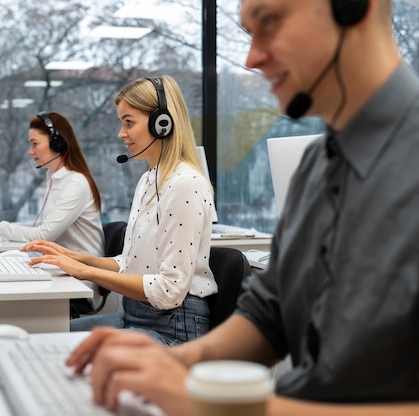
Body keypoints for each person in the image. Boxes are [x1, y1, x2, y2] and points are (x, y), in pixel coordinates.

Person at [64, 0, 419, 415]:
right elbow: (269, 316)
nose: (252, 59)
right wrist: (172, 363)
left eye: (270, 22)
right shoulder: (317, 167)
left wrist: (212, 401)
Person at [22, 75, 218, 345]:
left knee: (62, 351)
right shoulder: (150, 179)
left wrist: (87, 273)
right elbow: (128, 263)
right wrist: (76, 258)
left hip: (174, 328)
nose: (121, 133)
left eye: (129, 122)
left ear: (162, 124)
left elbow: (169, 290)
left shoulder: (185, 184)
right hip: (135, 315)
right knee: (47, 338)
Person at [0, 111, 104, 257]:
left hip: (82, 274)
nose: (30, 152)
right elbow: (41, 227)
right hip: (63, 265)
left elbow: (43, 235)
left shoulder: (75, 183)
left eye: (35, 144)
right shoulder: (56, 178)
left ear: (57, 144)